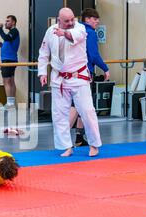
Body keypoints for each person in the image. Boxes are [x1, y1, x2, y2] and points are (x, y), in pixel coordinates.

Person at [38, 8, 102, 157]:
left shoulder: (79, 28)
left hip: (78, 77)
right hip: (59, 78)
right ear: (59, 20)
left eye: (72, 19)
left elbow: (75, 37)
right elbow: (43, 53)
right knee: (59, 114)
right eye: (66, 21)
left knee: (87, 111)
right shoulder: (50, 31)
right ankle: (66, 146)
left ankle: (94, 144)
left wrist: (65, 33)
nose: (70, 22)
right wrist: (42, 72)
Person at [70, 8, 110, 147]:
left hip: (73, 71)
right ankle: (63, 138)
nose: (97, 21)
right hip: (85, 73)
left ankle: (79, 138)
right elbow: (93, 55)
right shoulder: (90, 33)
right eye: (94, 19)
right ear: (87, 19)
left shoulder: (76, 30)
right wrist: (105, 68)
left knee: (82, 106)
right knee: (77, 106)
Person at [0, 15, 20, 110]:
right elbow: (9, 42)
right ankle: (11, 103)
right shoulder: (12, 32)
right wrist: (2, 45)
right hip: (9, 59)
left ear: (13, 22)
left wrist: (0, 29)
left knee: (6, 81)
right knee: (10, 81)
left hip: (9, 60)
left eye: (8, 21)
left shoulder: (14, 31)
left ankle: (10, 104)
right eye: (5, 21)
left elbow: (7, 38)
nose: (6, 23)